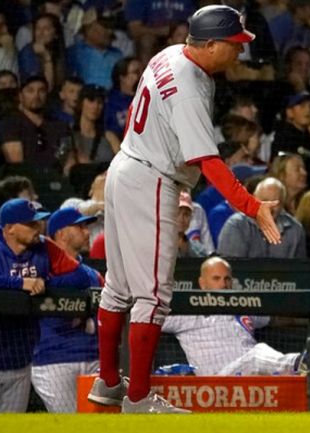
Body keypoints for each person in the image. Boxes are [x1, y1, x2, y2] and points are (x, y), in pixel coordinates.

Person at [88, 5, 281, 414]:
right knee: (153, 297)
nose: (239, 52)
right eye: (233, 45)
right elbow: (207, 162)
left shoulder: (169, 53)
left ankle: (107, 383)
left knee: (118, 288)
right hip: (151, 177)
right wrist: (250, 206)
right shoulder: (190, 83)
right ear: (210, 44)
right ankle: (137, 399)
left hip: (127, 165)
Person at [0, 198, 97, 412]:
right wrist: (20, 283)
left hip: (22, 359)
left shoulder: (44, 247)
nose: (38, 227)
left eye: (38, 222)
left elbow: (80, 276)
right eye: (30, 223)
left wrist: (45, 284)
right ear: (10, 228)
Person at [161, 257, 307, 376]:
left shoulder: (241, 306)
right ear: (202, 283)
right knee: (257, 355)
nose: (223, 284)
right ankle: (299, 362)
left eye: (227, 279)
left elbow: (277, 319)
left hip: (250, 372)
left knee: (259, 361)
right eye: (216, 279)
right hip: (218, 379)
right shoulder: (187, 312)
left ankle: (299, 368)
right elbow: (147, 318)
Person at [31, 207, 103, 413]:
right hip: (53, 359)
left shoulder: (93, 275)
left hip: (93, 358)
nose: (87, 232)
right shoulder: (39, 269)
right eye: (79, 227)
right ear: (60, 233)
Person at [217, 177, 305, 259]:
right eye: (264, 201)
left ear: (282, 204)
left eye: (275, 203)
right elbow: (229, 268)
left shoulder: (295, 229)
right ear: (254, 198)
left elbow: (299, 270)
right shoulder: (237, 225)